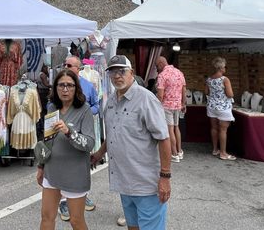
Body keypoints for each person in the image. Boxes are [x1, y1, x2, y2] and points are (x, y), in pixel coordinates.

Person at [91, 55, 172, 230]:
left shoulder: (146, 99)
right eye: (113, 71)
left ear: (131, 73)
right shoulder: (112, 101)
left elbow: (164, 138)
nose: (117, 75)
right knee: (133, 227)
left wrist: (165, 177)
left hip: (146, 185)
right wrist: (99, 154)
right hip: (124, 183)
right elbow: (113, 133)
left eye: (122, 71)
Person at [38, 69, 95, 230]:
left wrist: (69, 132)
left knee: (76, 221)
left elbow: (89, 144)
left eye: (69, 85)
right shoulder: (52, 108)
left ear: (76, 88)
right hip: (52, 172)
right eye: (61, 85)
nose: (65, 89)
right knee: (47, 217)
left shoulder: (84, 110)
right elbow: (47, 141)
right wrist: (41, 166)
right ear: (55, 87)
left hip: (75, 174)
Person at [58, 56, 99, 220]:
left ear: (78, 68)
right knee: (62, 163)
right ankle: (63, 201)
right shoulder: (59, 84)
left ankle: (82, 194)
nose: (65, 66)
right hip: (62, 133)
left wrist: (86, 114)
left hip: (84, 132)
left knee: (83, 163)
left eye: (69, 65)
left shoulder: (88, 86)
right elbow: (51, 104)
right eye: (64, 64)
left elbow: (96, 104)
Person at [156, 57, 186, 163]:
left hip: (166, 106)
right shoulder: (179, 73)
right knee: (176, 128)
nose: (157, 68)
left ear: (160, 64)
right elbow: (184, 89)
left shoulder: (162, 75)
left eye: (156, 66)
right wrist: (184, 103)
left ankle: (174, 153)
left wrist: (156, 106)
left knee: (170, 130)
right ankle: (180, 150)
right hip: (177, 105)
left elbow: (160, 95)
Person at [205, 57, 236, 161]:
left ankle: (215, 149)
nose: (225, 68)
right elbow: (230, 94)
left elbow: (206, 92)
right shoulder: (225, 79)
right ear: (221, 68)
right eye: (225, 66)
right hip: (223, 107)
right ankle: (223, 153)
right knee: (223, 130)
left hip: (212, 106)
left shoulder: (209, 79)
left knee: (214, 128)